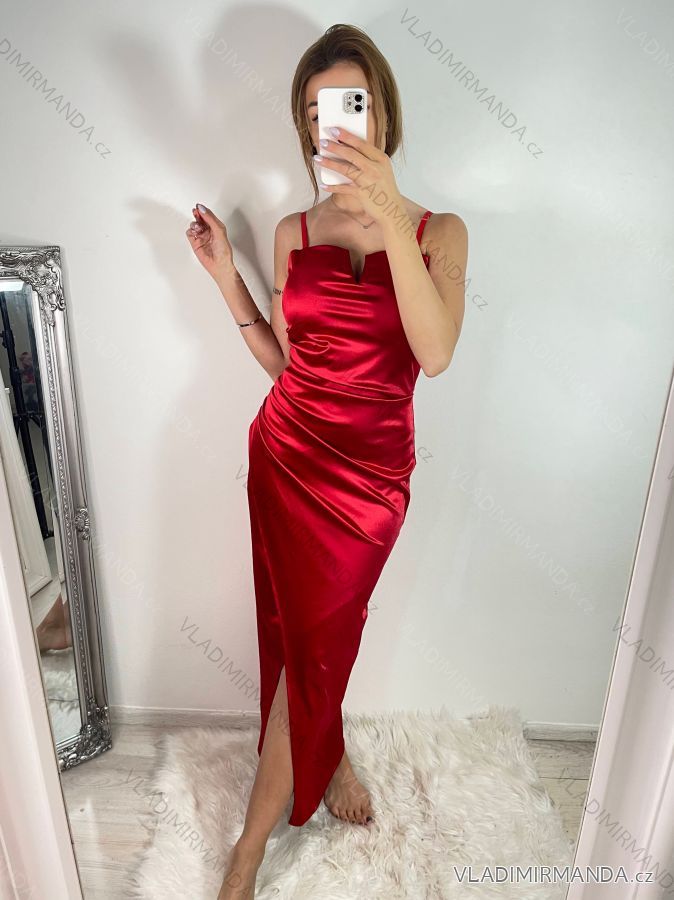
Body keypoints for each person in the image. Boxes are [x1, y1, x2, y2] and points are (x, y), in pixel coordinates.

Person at [186, 23, 467, 900]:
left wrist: (388, 212)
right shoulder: (292, 230)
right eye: (315, 113)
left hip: (371, 487)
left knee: (319, 641)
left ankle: (249, 847)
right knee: (299, 638)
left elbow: (435, 353)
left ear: (382, 112)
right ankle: (288, 802)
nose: (331, 124)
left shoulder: (443, 232)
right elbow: (288, 365)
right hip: (284, 456)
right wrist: (227, 278)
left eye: (349, 104)